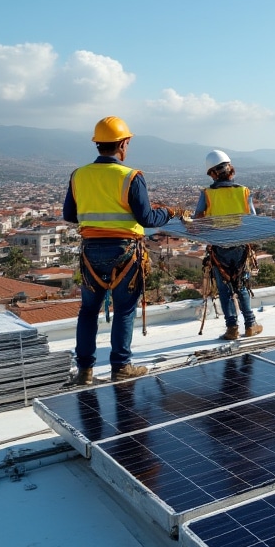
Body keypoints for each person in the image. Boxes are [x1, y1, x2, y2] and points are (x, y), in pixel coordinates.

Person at [63, 116, 177, 384]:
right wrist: (168, 213)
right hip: (125, 251)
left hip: (91, 251)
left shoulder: (79, 175)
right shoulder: (131, 177)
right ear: (123, 144)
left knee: (88, 311)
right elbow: (147, 219)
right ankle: (121, 366)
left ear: (98, 144)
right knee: (124, 310)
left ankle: (85, 371)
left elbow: (69, 215)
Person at [193, 150, 263, 339]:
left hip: (218, 247)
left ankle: (232, 328)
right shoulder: (243, 191)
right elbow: (253, 218)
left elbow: (197, 220)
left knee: (224, 289)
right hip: (240, 246)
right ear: (230, 169)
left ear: (212, 174)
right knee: (241, 285)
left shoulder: (207, 194)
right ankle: (250, 324)